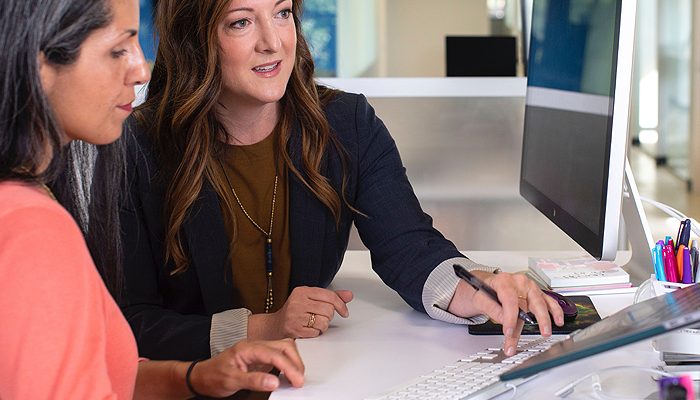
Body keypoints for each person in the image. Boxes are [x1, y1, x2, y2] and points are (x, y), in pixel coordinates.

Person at [121, 0, 565, 366]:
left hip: (306, 378)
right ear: (195, 40)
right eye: (241, 22)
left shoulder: (346, 124)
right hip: (194, 384)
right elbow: (131, 322)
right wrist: (263, 326)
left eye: (282, 13)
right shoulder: (139, 148)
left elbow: (409, 246)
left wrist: (480, 287)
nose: (273, 42)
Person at [0, 0, 304, 398]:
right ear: (39, 67)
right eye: (117, 50)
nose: (141, 70)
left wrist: (196, 377)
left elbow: (99, 376)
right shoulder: (32, 229)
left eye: (283, 13)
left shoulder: (33, 201)